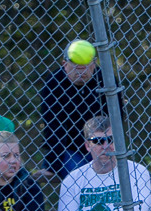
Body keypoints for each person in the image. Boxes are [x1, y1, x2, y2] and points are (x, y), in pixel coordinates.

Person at [37, 39, 105, 180]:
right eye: (76, 67)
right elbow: (53, 126)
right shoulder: (54, 83)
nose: (82, 72)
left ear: (94, 64)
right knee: (80, 178)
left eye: (86, 67)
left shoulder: (105, 81)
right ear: (65, 65)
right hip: (70, 148)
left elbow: (114, 120)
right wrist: (52, 165)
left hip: (100, 144)